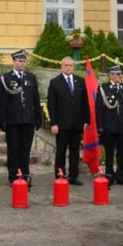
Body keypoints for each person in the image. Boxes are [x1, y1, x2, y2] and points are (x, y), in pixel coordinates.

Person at [0, 49, 42, 184]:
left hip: (28, 120)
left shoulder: (31, 77)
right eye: (19, 61)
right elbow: (2, 102)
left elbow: (36, 99)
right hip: (13, 120)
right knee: (13, 149)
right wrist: (2, 120)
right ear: (14, 62)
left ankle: (25, 174)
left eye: (24, 61)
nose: (22, 64)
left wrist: (37, 118)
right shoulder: (6, 78)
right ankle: (13, 176)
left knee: (25, 149)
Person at [47, 56, 89, 184]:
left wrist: (86, 120)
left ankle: (73, 176)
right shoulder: (55, 82)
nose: (68, 67)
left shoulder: (80, 81)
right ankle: (60, 174)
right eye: (66, 65)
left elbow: (85, 103)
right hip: (62, 124)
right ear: (61, 66)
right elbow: (51, 105)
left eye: (71, 65)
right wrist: (53, 123)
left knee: (75, 151)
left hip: (76, 124)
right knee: (61, 151)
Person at [96, 65, 123, 185]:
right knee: (109, 152)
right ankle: (109, 175)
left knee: (122, 153)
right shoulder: (103, 88)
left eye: (120, 74)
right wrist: (100, 126)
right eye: (117, 74)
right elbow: (99, 109)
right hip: (108, 126)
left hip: (122, 126)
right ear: (110, 75)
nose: (120, 76)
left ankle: (120, 175)